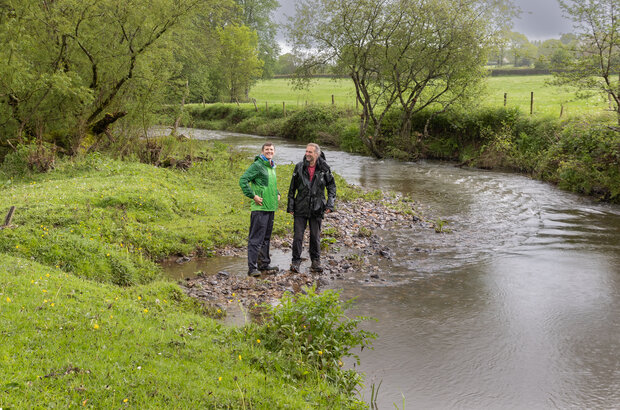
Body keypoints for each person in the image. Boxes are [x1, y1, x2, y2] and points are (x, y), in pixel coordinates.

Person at [287, 143, 336, 273]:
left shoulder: (325, 169)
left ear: (317, 154)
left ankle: (315, 262)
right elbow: (292, 189)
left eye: (310, 152)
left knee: (315, 236)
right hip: (300, 207)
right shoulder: (299, 167)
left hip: (317, 207)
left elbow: (331, 187)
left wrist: (330, 204)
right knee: (298, 236)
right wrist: (290, 206)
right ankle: (295, 262)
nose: (307, 154)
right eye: (306, 151)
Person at [239, 142, 280, 277]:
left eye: (271, 149)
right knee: (256, 239)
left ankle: (264, 264)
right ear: (262, 151)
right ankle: (252, 268)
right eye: (267, 149)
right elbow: (243, 180)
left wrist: (277, 192)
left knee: (266, 238)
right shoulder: (257, 165)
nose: (269, 151)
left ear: (274, 152)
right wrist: (253, 196)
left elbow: (270, 184)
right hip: (260, 207)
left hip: (270, 207)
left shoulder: (272, 166)